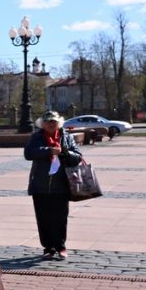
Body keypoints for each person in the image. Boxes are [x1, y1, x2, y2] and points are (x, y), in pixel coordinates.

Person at [24, 110, 82, 261]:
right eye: (48, 122)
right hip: (40, 185)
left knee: (60, 218)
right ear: (42, 124)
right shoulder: (36, 137)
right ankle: (48, 247)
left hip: (62, 185)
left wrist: (65, 153)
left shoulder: (67, 137)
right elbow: (29, 153)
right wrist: (49, 150)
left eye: (54, 122)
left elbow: (77, 156)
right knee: (43, 218)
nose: (51, 124)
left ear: (59, 123)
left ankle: (60, 246)